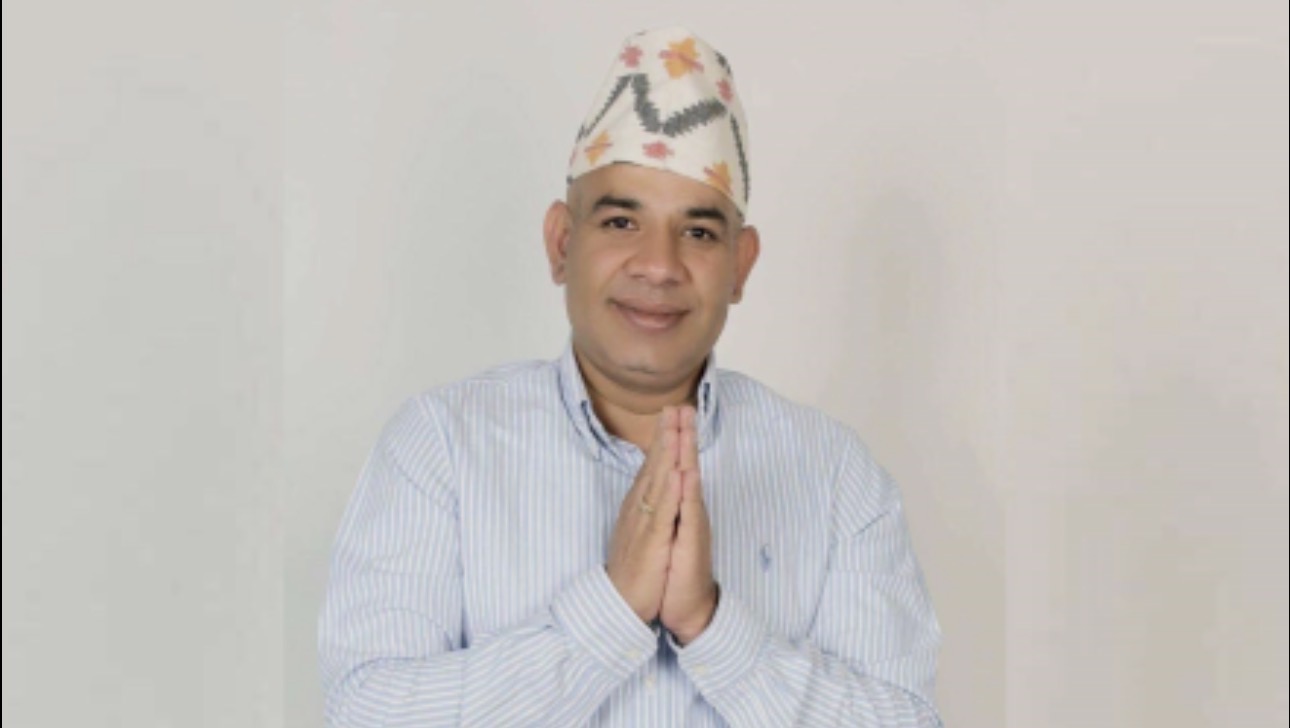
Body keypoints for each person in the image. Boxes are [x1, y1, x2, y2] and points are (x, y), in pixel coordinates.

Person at [319, 26, 943, 727]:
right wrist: (609, 614)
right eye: (621, 222)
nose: (659, 265)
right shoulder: (440, 447)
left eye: (698, 233)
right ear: (562, 243)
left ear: (740, 266)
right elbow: (365, 712)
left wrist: (712, 627)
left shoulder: (836, 477)